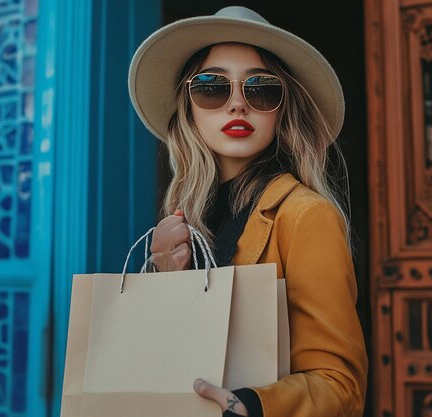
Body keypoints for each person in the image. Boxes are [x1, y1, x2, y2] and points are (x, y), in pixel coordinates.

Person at [128, 6, 368, 417]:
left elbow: (340, 385)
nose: (238, 104)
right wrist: (165, 275)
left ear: (283, 107)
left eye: (260, 89)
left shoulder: (306, 216)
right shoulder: (183, 219)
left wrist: (253, 407)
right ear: (188, 108)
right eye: (211, 86)